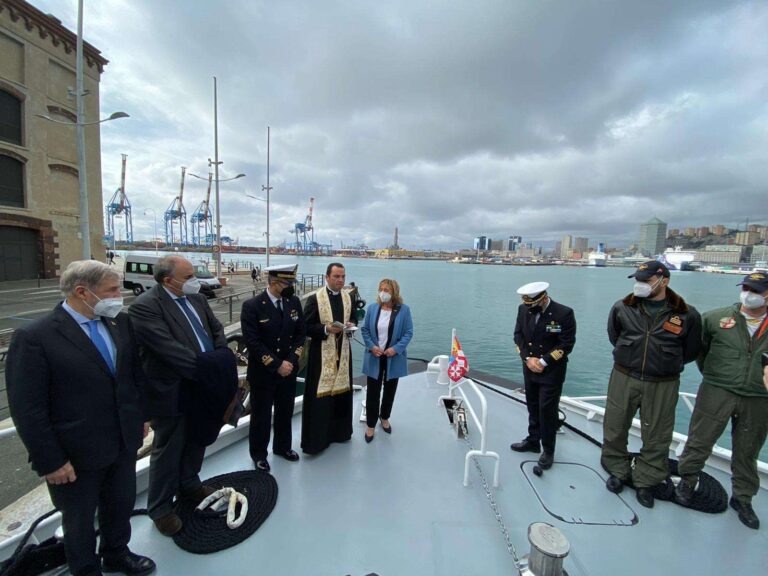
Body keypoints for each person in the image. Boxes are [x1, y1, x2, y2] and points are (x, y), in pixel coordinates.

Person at [6, 261, 155, 576]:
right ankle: (86, 570)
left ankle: (117, 553)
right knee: (79, 521)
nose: (120, 296)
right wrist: (50, 461)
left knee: (120, 507)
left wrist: (140, 416)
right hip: (74, 455)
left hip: (123, 441)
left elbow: (132, 376)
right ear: (82, 292)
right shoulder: (35, 337)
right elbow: (28, 408)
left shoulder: (120, 323)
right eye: (112, 290)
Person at [128, 256, 227, 536]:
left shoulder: (197, 300)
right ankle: (159, 508)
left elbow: (216, 330)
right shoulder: (145, 307)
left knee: (197, 438)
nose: (194, 281)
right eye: (188, 276)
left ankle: (190, 485)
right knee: (169, 448)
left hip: (203, 385)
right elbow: (167, 348)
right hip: (172, 390)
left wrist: (220, 358)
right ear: (167, 280)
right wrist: (207, 369)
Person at [601, 261, 701, 508]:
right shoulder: (622, 308)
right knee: (615, 424)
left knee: (657, 433)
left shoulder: (687, 314)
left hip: (662, 382)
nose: (640, 285)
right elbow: (615, 336)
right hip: (624, 375)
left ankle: (646, 479)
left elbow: (690, 351)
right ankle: (617, 469)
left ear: (663, 281)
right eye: (638, 279)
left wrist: (662, 362)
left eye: (645, 281)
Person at [675, 272, 768, 529]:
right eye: (746, 287)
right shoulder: (716, 319)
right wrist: (716, 374)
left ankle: (743, 497)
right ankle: (687, 481)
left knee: (748, 449)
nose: (749, 293)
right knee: (700, 439)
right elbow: (698, 352)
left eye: (756, 290)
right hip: (717, 389)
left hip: (758, 396)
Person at [241, 264, 307, 471]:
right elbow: (252, 342)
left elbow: (300, 334)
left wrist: (291, 361)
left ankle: (282, 447)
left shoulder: (293, 302)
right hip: (264, 372)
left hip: (288, 369)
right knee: (260, 415)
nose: (291, 287)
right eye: (287, 283)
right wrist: (277, 365)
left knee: (284, 411)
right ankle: (259, 453)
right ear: (273, 283)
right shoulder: (252, 306)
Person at [510, 281, 576, 470]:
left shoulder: (564, 313)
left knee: (547, 409)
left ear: (543, 298)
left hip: (551, 371)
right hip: (529, 368)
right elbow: (518, 336)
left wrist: (543, 361)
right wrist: (528, 359)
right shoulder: (523, 310)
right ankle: (533, 440)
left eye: (532, 303)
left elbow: (566, 344)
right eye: (527, 304)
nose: (528, 307)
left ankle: (548, 450)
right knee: (532, 405)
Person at [301, 262, 356, 454]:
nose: (340, 280)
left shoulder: (348, 297)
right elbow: (306, 327)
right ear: (327, 278)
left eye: (342, 276)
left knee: (340, 396)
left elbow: (354, 318)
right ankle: (317, 441)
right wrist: (326, 329)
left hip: (343, 354)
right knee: (319, 400)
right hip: (321, 357)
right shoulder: (315, 299)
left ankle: (339, 433)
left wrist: (350, 325)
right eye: (336, 277)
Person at [360, 279, 414, 442]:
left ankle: (384, 417)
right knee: (373, 393)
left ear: (394, 292)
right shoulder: (372, 308)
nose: (383, 292)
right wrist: (371, 346)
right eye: (381, 289)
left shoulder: (404, 310)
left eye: (386, 290)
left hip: (393, 357)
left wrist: (395, 349)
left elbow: (408, 332)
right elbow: (365, 330)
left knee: (390, 391)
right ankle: (370, 425)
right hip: (374, 356)